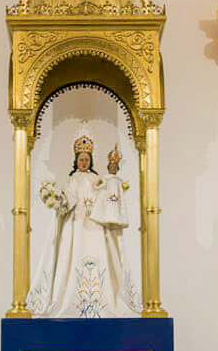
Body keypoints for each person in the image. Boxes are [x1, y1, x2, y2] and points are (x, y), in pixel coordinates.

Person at [26, 136, 140, 318]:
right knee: (71, 259)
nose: (84, 162)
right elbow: (68, 198)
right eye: (81, 159)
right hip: (76, 227)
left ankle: (103, 302)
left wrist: (113, 171)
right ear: (76, 160)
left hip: (96, 227)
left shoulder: (97, 180)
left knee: (101, 257)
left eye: (87, 159)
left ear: (91, 160)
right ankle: (70, 302)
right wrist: (57, 198)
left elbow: (106, 194)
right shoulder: (72, 180)